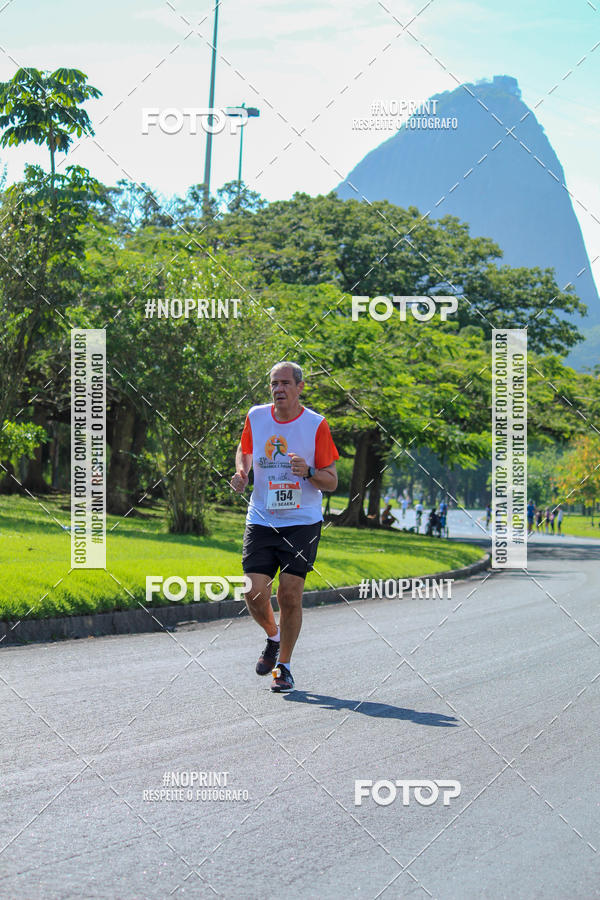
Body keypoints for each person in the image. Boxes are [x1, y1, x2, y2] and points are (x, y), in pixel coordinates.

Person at [230, 361, 339, 693]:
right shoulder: (257, 416)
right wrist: (242, 472)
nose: (278, 389)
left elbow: (331, 481)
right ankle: (273, 637)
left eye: (285, 383)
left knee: (289, 595)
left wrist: (307, 472)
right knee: (253, 590)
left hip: (301, 523)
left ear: (300, 387)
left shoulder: (316, 425)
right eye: (273, 384)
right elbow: (245, 450)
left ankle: (284, 667)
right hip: (262, 518)